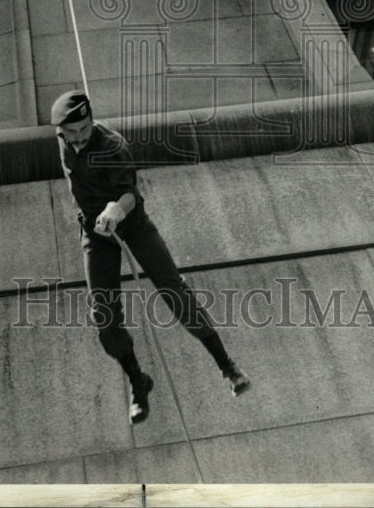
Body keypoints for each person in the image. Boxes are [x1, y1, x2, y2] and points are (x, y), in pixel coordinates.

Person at [51, 90, 250, 425]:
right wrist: (97, 219)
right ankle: (138, 382)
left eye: (85, 129)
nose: (80, 137)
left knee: (174, 290)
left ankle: (227, 366)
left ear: (91, 120)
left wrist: (115, 210)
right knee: (103, 312)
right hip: (94, 234)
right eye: (72, 133)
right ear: (60, 133)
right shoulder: (63, 141)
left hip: (132, 224)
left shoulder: (113, 145)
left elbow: (129, 193)